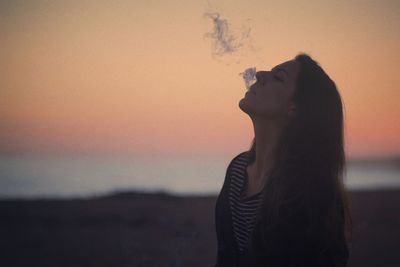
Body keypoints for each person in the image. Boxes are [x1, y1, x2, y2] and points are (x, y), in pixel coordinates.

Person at [214, 53, 353, 267]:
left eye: (278, 76)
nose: (259, 74)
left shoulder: (311, 191)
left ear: (294, 108)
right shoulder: (237, 170)